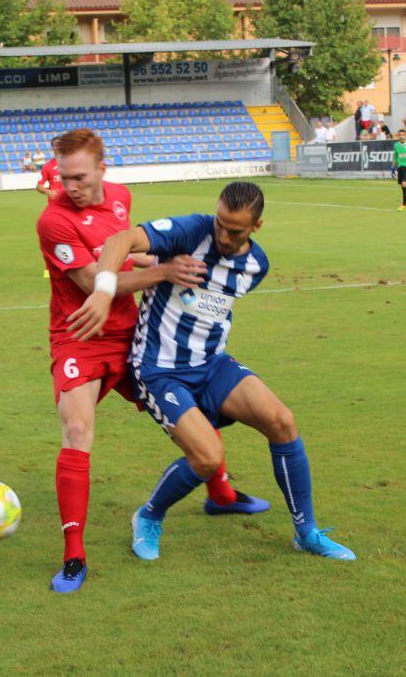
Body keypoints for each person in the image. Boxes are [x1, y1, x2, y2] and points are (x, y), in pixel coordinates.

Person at [67, 181, 355, 564]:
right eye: (219, 222)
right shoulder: (191, 230)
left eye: (233, 229)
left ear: (257, 226)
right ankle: (149, 515)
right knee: (206, 457)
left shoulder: (257, 266)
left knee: (282, 421)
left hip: (212, 363)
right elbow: (121, 241)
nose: (221, 234)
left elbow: (211, 305)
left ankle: (306, 532)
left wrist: (159, 269)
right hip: (159, 369)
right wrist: (104, 291)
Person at [37, 130, 269, 594]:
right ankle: (74, 555)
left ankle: (220, 493)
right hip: (81, 335)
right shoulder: (53, 221)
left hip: (137, 334)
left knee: (191, 414)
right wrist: (163, 271)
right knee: (78, 430)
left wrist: (156, 260)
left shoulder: (121, 198)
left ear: (103, 169)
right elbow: (90, 284)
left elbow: (130, 250)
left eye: (79, 177)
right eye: (64, 178)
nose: (70, 187)